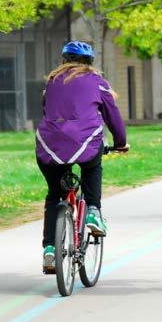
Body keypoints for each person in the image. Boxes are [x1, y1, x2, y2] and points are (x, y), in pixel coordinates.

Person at [37, 41, 128, 273]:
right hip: (85, 141)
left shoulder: (51, 83)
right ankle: (94, 213)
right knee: (91, 167)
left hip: (50, 144)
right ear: (90, 63)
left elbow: (46, 110)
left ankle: (49, 250)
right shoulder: (98, 83)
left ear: (64, 60)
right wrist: (120, 143)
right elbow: (112, 115)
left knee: (55, 195)